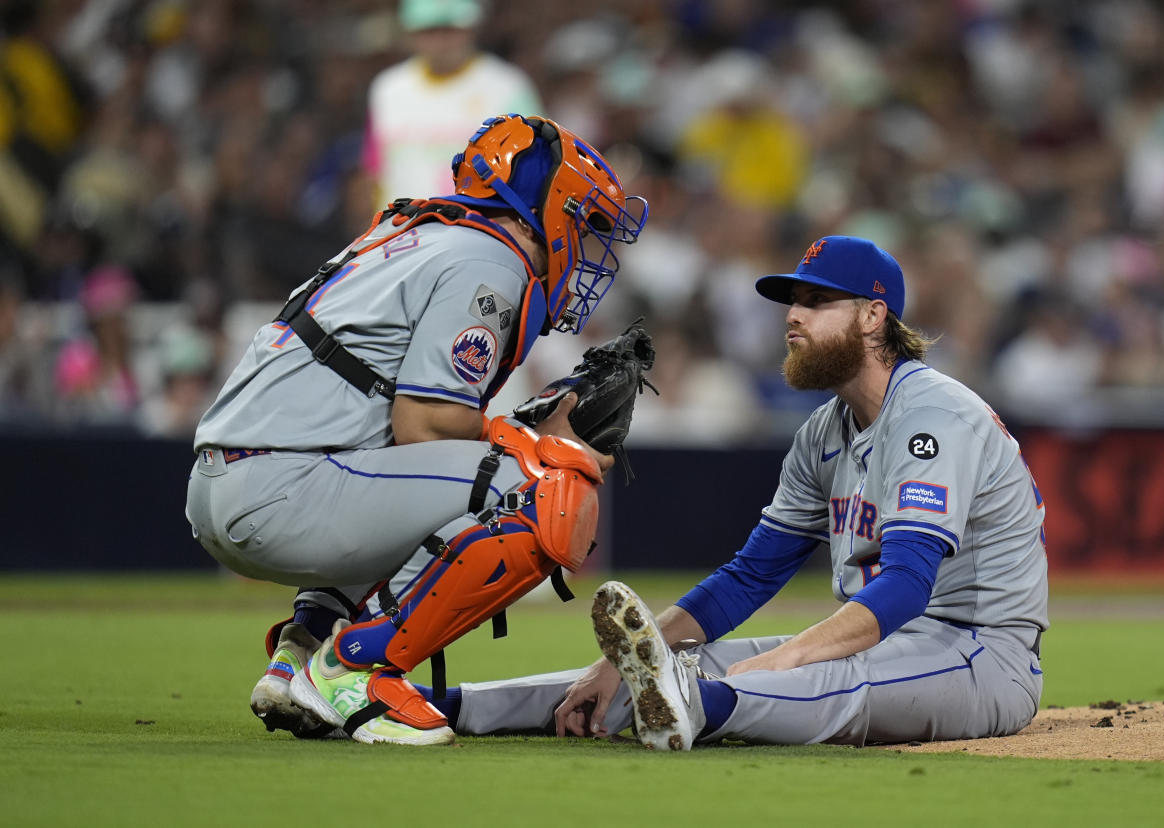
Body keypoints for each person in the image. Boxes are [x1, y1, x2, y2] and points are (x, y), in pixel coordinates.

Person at [432, 235, 1048, 749]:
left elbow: (909, 586)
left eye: (816, 300)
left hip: (978, 653)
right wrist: (619, 663)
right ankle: (440, 704)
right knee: (644, 675)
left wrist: (781, 661)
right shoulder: (823, 433)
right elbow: (750, 576)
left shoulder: (933, 416)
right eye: (791, 301)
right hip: (881, 641)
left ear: (872, 315)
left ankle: (695, 705)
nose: (792, 315)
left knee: (818, 683)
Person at [185, 113, 647, 745]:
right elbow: (425, 427)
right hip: (282, 489)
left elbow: (402, 432)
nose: (590, 241)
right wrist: (536, 441)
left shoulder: (421, 231)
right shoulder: (492, 258)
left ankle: (300, 655)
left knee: (482, 474)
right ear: (549, 204)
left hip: (237, 481)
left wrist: (513, 429)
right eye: (585, 220)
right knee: (547, 488)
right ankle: (355, 669)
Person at [362, 0, 542, 206]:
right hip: (402, 230)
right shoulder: (388, 90)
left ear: (471, 28)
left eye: (450, 30)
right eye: (429, 31)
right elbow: (374, 169)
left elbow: (533, 169)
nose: (440, 41)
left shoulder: (508, 87)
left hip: (482, 231)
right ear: (411, 33)